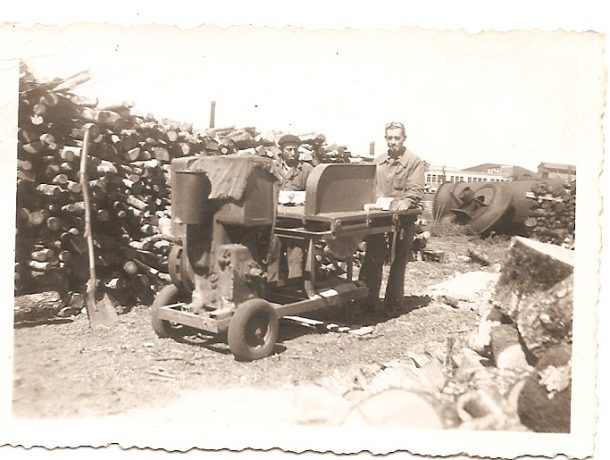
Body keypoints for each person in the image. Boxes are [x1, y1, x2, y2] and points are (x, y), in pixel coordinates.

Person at [359, 121, 425, 316]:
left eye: (397, 138)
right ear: (385, 139)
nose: (393, 142)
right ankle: (368, 302)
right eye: (390, 138)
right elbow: (368, 187)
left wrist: (406, 202)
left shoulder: (414, 162)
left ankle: (393, 304)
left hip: (403, 219)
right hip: (380, 217)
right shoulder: (378, 162)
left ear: (404, 138)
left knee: (398, 261)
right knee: (373, 257)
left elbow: (415, 189)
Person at [267, 134, 313, 283]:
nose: (293, 153)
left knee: (295, 254)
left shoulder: (306, 170)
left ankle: (295, 287)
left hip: (296, 222)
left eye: (295, 150)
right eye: (289, 150)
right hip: (276, 220)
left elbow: (312, 194)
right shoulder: (273, 168)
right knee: (273, 252)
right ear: (281, 151)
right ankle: (272, 285)